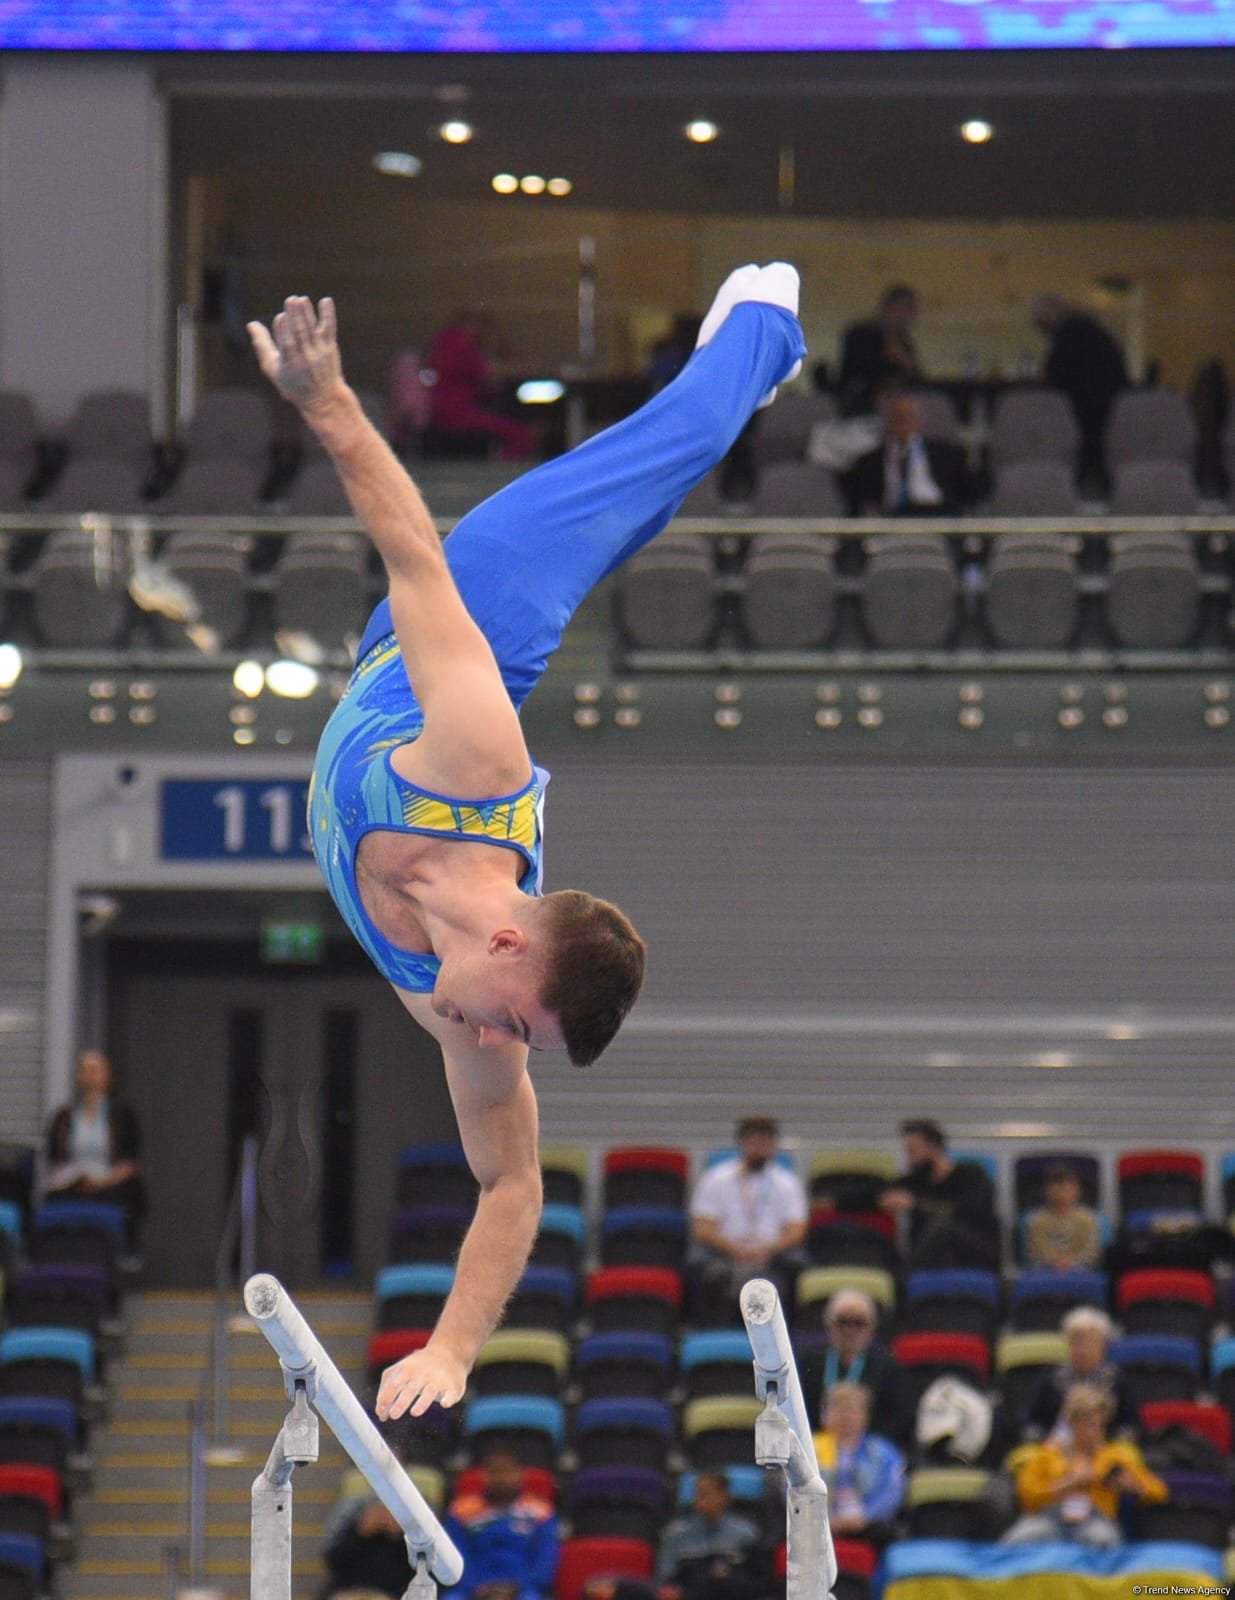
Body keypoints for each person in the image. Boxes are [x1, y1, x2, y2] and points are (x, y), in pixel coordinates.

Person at [247, 265, 806, 1419]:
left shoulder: (464, 1003)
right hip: (483, 618)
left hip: (378, 672)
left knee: (652, 494)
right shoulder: (473, 769)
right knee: (666, 450)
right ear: (509, 939)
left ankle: (737, 376)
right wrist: (329, 401)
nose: (489, 1037)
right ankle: (765, 327)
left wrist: (450, 1348)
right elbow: (409, 554)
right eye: (511, 1018)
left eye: (513, 1038)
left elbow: (511, 1183)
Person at [1004, 1384, 1166, 1548]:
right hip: (1048, 1519)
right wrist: (1067, 1485)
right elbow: (1027, 1496)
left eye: (1100, 1425)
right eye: (1089, 1424)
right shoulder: (1046, 1455)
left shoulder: (1114, 1456)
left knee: (1101, 1540)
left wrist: (1134, 1487)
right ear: (1073, 1423)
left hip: (1094, 1520)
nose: (1096, 1431)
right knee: (1017, 1541)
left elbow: (1158, 1491)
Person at [687, 1115, 809, 1325]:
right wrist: (734, 1249)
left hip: (771, 1253)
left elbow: (796, 1230)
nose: (759, 1147)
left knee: (798, 1265)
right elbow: (702, 1228)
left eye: (765, 1141)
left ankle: (792, 1330)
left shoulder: (786, 1182)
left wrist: (768, 1249)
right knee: (696, 1264)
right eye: (754, 1141)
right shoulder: (716, 1178)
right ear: (742, 1143)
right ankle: (703, 1326)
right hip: (726, 1252)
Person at [45, 1048, 146, 1247]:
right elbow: (53, 1161)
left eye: (95, 1070)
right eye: (85, 1070)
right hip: (72, 1182)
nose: (90, 1076)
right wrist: (74, 1179)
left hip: (111, 1182)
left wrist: (102, 1182)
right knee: (55, 1198)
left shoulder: (123, 1116)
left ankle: (124, 1255)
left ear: (108, 1076)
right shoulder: (63, 1117)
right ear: (77, 1077)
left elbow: (130, 1163)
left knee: (123, 1197)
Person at [1030, 293, 1128, 491]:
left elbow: (1055, 380)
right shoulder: (1096, 333)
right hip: (1108, 410)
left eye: (1040, 324)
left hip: (1083, 412)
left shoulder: (1068, 339)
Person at [878, 1119, 1000, 1272]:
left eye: (913, 1151)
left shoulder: (971, 1174)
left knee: (942, 1228)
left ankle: (905, 1278)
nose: (908, 1158)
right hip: (930, 1256)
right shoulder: (913, 1182)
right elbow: (878, 1194)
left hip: (974, 1250)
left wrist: (916, 1205)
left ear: (933, 1148)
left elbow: (970, 1210)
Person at [441, 1449, 559, 1599]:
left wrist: (516, 1587)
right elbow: (455, 1557)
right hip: (473, 1588)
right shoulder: (461, 1511)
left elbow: (545, 1563)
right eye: (495, 1472)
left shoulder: (541, 1512)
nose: (501, 1479)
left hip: (522, 1589)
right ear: (484, 1475)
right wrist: (476, 1587)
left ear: (519, 1474)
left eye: (507, 1472)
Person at [799, 1289, 907, 1446]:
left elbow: (896, 1418)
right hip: (815, 1447)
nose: (849, 1331)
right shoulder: (809, 1363)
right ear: (828, 1325)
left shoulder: (887, 1368)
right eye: (842, 1322)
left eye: (858, 1323)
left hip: (870, 1450)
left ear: (871, 1328)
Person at [426, 309, 536, 461]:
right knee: (519, 434)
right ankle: (504, 470)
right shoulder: (461, 344)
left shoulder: (445, 342)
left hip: (445, 408)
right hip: (458, 411)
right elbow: (487, 374)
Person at [839, 390, 969, 516]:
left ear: (919, 421)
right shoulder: (869, 460)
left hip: (937, 513)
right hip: (891, 515)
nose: (902, 421)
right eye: (896, 415)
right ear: (887, 420)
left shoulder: (945, 453)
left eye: (908, 416)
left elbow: (968, 490)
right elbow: (857, 497)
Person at [1024, 1308, 1140, 1443]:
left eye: (1089, 1342)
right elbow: (1031, 1422)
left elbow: (1132, 1425)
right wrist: (1043, 1439)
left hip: (1106, 1450)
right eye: (1076, 1342)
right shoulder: (1051, 1379)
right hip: (1056, 1449)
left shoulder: (1117, 1381)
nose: (1082, 1350)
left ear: (1102, 1345)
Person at [811, 1382, 905, 1546]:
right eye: (837, 1408)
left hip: (869, 1525)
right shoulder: (810, 1449)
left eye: (851, 1409)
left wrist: (865, 1516)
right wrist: (827, 1517)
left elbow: (893, 1490)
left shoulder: (882, 1451)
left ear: (865, 1416)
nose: (845, 1416)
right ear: (824, 1415)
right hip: (818, 1523)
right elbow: (792, 1488)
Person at [655, 1472, 770, 1600]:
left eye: (706, 1494)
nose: (700, 1499)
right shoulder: (676, 1535)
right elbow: (666, 1580)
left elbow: (761, 1583)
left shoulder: (747, 1535)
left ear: (725, 1496)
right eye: (697, 1494)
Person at [839, 284, 924, 416]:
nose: (910, 316)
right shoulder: (860, 334)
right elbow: (857, 369)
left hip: (897, 402)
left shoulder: (904, 342)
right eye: (906, 308)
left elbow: (916, 377)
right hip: (861, 402)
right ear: (890, 307)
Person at [321, 1492, 413, 1598]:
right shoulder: (351, 1514)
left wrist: (399, 1535)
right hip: (350, 1587)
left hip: (397, 1589)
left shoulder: (413, 1523)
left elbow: (420, 1567)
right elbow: (333, 1562)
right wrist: (359, 1532)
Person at [1024, 1161, 1102, 1272]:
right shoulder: (1036, 1220)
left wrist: (1071, 1262)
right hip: (1045, 1267)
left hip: (1080, 1267)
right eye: (1057, 1185)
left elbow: (1090, 1252)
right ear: (1046, 1190)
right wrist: (1055, 1261)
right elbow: (1036, 1251)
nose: (1063, 1190)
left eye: (1069, 1185)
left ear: (1077, 1189)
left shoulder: (1088, 1219)